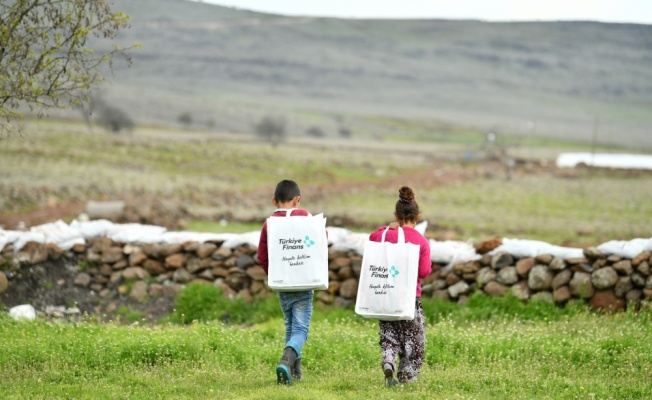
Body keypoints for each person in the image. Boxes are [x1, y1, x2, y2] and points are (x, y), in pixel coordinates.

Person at [368, 186, 432, 387]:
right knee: (415, 342)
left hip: (385, 296)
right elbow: (423, 272)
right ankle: (406, 378)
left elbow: (372, 239)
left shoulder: (384, 235)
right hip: (409, 300)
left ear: (396, 215)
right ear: (417, 216)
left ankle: (388, 360)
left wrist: (387, 228)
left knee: (389, 337)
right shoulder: (420, 241)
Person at [257, 179, 313, 386]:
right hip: (303, 282)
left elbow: (262, 257)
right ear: (297, 200)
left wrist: (276, 273)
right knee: (300, 330)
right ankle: (285, 361)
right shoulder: (305, 216)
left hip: (282, 283)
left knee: (290, 326)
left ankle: (293, 373)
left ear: (274, 201)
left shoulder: (269, 223)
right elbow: (320, 240)